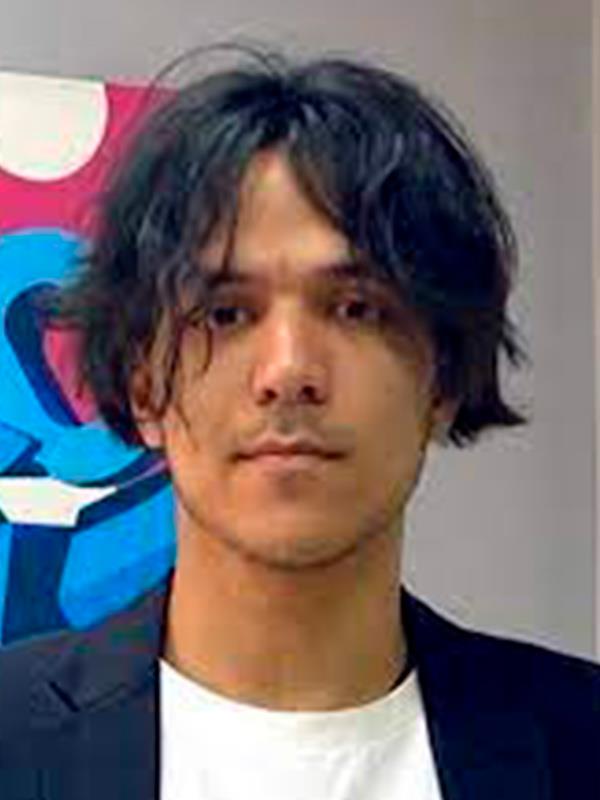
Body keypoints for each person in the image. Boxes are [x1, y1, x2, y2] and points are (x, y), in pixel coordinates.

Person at [0, 44, 598, 799]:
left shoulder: (581, 740)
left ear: (443, 379)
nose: (288, 370)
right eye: (225, 313)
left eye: (356, 308)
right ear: (145, 387)